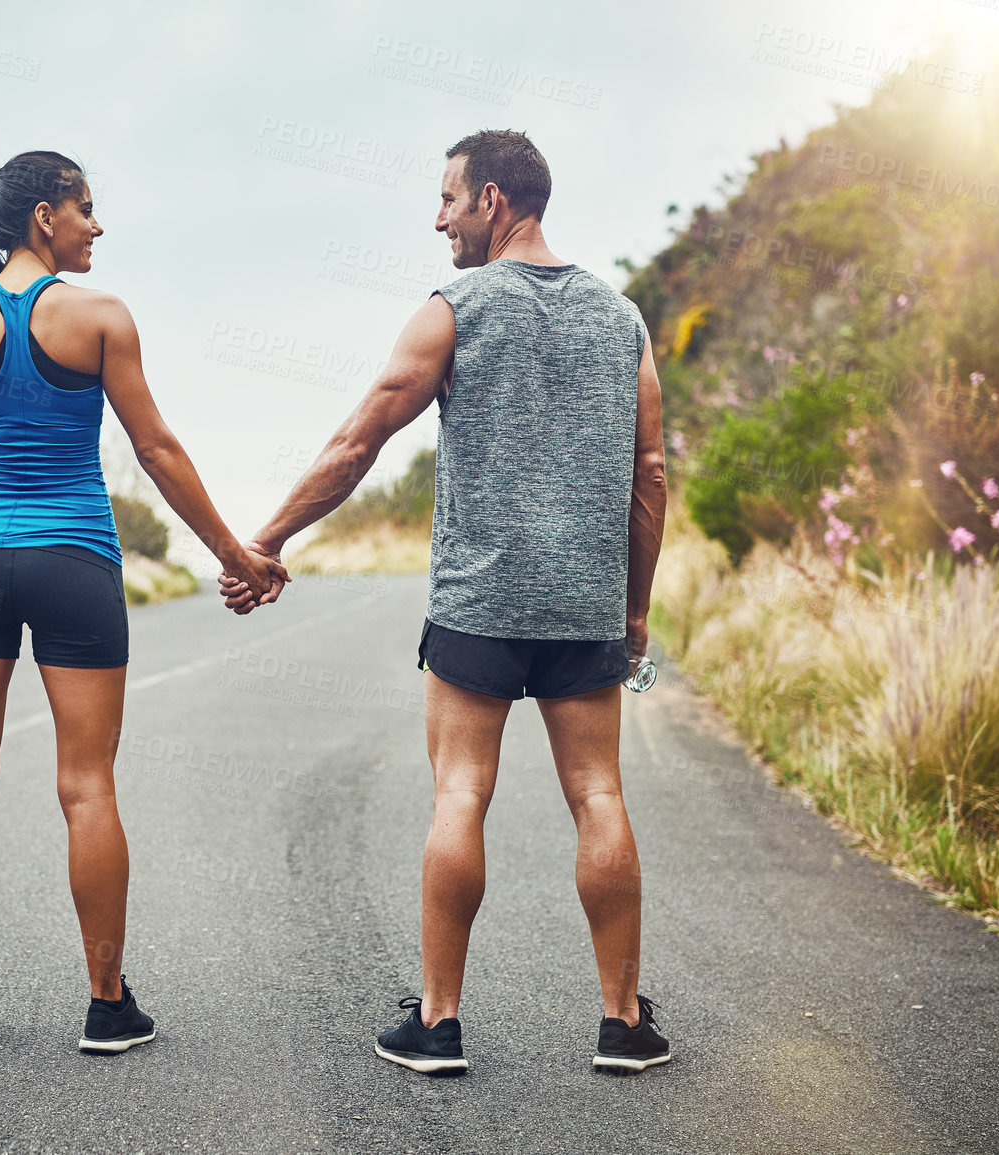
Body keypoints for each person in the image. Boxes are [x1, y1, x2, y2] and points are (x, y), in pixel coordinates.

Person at [221, 130, 671, 1074]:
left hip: (478, 604)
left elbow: (359, 440)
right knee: (597, 794)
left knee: (460, 791)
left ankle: (438, 1022)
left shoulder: (454, 307)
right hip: (584, 607)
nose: (439, 220)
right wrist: (630, 611)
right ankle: (621, 1022)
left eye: (448, 201)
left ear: (493, 202)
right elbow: (652, 474)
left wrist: (265, 540)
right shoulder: (620, 317)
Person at [0, 150, 286, 1051]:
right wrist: (235, 553)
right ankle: (105, 1003)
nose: (96, 226)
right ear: (45, 216)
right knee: (86, 786)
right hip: (73, 561)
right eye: (86, 209)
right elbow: (155, 449)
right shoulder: (100, 316)